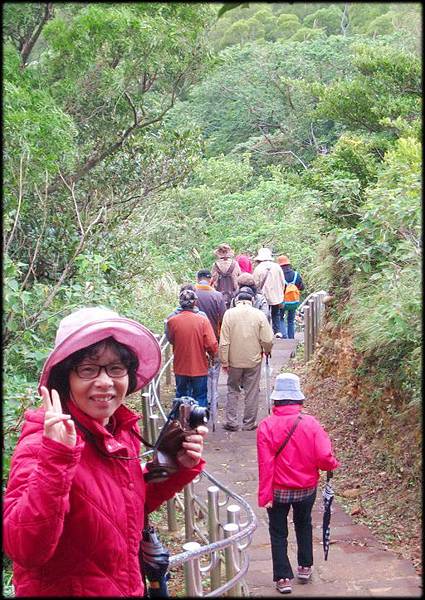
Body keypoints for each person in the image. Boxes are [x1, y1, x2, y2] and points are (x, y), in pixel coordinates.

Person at [3, 306, 208, 597]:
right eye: (88, 369)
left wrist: (176, 464)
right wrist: (56, 460)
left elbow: (120, 509)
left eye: (116, 368)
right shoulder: (43, 444)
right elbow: (23, 547)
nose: (105, 381)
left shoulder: (116, 430)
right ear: (65, 378)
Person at [257, 373, 339, 594]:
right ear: (298, 399)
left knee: (278, 532)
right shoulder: (311, 424)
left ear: (276, 400)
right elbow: (323, 456)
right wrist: (332, 464)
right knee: (303, 524)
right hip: (305, 488)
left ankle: (283, 578)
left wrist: (265, 496)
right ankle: (305, 566)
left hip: (278, 490)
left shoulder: (266, 426)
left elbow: (265, 465)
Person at [219, 288, 273, 431]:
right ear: (252, 301)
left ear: (236, 301)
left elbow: (224, 341)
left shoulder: (229, 314)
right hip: (253, 360)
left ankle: (231, 422)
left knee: (232, 389)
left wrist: (224, 361)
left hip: (233, 361)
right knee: (252, 391)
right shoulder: (259, 314)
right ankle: (249, 423)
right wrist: (267, 351)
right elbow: (267, 339)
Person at [165, 288, 218, 409]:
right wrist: (212, 354)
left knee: (181, 395)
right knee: (200, 396)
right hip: (199, 365)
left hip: (180, 365)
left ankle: (182, 421)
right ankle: (199, 422)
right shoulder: (203, 320)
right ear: (195, 303)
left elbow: (171, 339)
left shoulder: (172, 321)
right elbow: (211, 344)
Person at [194, 269, 226, 428]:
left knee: (201, 371)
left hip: (195, 340)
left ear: (197, 279)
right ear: (211, 279)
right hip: (214, 339)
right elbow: (223, 318)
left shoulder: (191, 294)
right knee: (214, 373)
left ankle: (202, 402)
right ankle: (213, 402)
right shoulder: (217, 296)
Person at [253, 248, 285, 337]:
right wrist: (281, 294)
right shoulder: (277, 267)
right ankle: (277, 332)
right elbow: (282, 282)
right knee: (276, 313)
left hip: (263, 296)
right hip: (276, 295)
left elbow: (255, 283)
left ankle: (265, 333)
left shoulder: (258, 268)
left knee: (264, 314)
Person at [277, 256, 305, 340]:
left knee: (280, 318)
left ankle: (284, 336)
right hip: (294, 301)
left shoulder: (279, 275)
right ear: (289, 264)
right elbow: (302, 287)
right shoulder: (296, 275)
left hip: (282, 301)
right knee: (290, 320)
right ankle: (291, 338)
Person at [210, 243, 241, 310]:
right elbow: (240, 277)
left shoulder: (215, 265)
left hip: (219, 294)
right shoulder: (235, 264)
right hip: (233, 293)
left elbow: (212, 280)